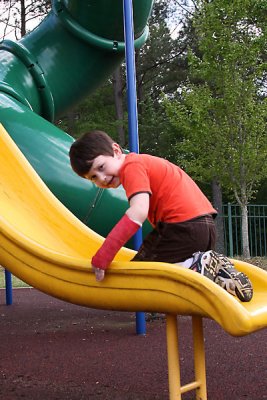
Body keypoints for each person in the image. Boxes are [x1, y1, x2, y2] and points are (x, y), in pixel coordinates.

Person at [69, 130, 253, 302]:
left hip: (182, 228)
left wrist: (104, 255)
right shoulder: (144, 163)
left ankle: (196, 267)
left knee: (138, 274)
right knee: (158, 271)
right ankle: (214, 272)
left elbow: (138, 211)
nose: (101, 178)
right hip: (205, 228)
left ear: (116, 150)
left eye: (101, 167)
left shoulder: (131, 166)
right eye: (93, 177)